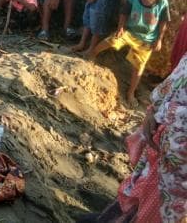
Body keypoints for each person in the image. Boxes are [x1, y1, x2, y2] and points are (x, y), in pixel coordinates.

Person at [78, 50, 187, 223]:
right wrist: (154, 110)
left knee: (160, 205)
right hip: (164, 140)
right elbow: (176, 80)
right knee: (141, 187)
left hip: (178, 158)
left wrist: (167, 115)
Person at [89, 0, 170, 107]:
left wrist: (159, 38)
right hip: (130, 32)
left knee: (139, 67)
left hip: (147, 40)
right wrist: (121, 27)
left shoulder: (163, 3)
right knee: (111, 41)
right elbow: (124, 13)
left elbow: (163, 22)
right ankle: (91, 55)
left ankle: (131, 93)